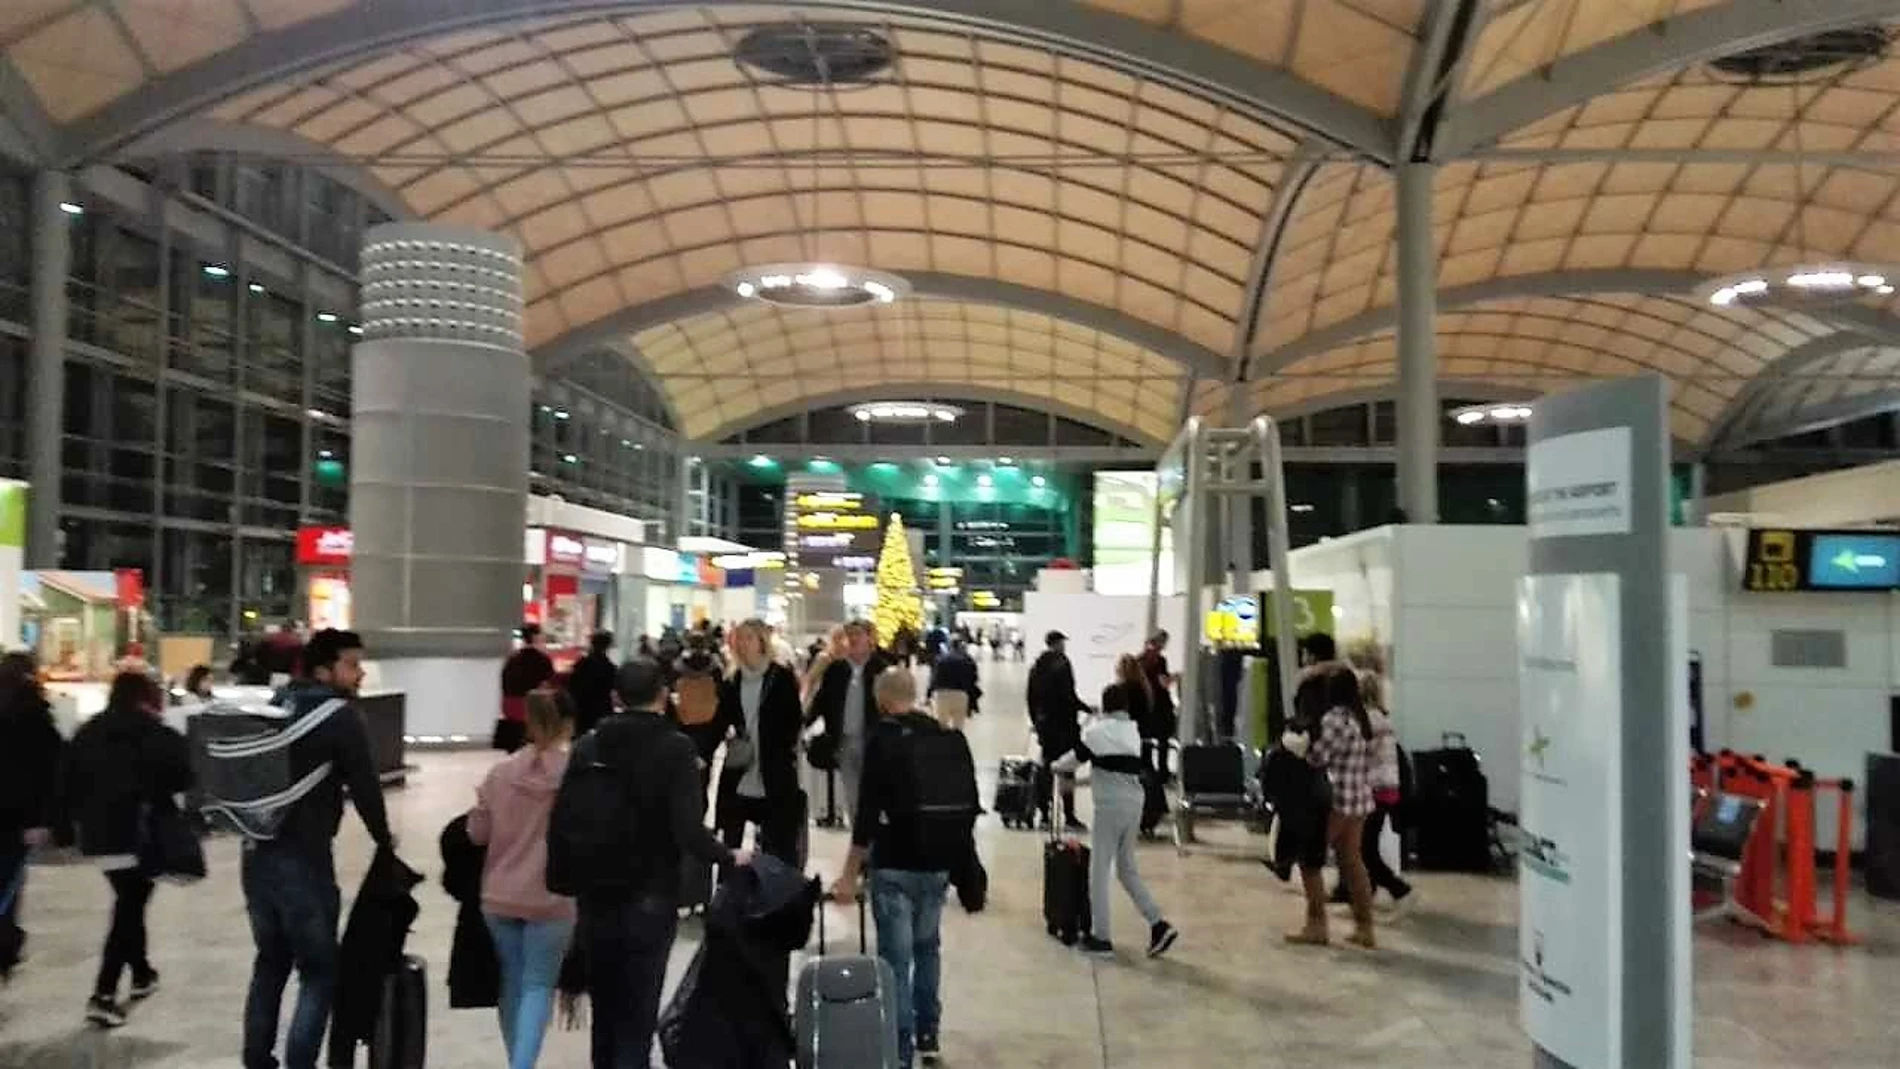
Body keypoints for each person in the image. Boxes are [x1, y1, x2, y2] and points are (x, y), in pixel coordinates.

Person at [562, 659, 749, 1069]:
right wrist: (728, 854)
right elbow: (687, 828)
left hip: (596, 895)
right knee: (638, 1011)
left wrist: (563, 881)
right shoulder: (673, 747)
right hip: (649, 892)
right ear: (664, 698)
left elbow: (562, 819)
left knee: (606, 1014)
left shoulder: (588, 746)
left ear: (615, 699)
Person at [243, 629, 396, 1069]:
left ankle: (257, 1059)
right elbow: (365, 789)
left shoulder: (275, 706)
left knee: (270, 963)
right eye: (351, 664)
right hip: (304, 862)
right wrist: (384, 841)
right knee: (318, 972)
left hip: (256, 856)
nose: (360, 672)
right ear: (323, 669)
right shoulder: (340, 717)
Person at [830, 668, 977, 1068]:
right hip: (936, 862)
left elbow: (866, 813)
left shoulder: (884, 738)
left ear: (881, 700)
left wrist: (849, 872)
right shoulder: (945, 737)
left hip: (894, 862)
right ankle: (928, 1035)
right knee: (928, 948)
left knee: (896, 958)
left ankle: (898, 1045)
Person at [62, 669, 193, 1027]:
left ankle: (142, 974)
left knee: (129, 901)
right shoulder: (155, 734)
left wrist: (63, 826)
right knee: (129, 909)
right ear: (146, 697)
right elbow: (184, 775)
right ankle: (103, 994)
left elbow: (67, 780)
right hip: (141, 835)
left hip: (98, 836)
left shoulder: (88, 732)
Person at [467, 690, 574, 1069]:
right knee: (538, 984)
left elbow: (477, 833)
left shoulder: (501, 773)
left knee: (513, 982)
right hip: (553, 898)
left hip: (498, 895)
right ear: (568, 724)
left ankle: (518, 1058)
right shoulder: (576, 775)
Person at [1052, 655, 1179, 960]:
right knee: (1127, 870)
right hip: (1134, 804)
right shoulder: (1131, 732)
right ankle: (1158, 923)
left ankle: (1101, 937)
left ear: (1104, 705)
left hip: (1109, 808)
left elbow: (1072, 760)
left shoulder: (1098, 732)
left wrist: (1055, 767)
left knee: (1099, 872)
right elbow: (1109, 764)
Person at [1287, 665, 1377, 949]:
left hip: (1335, 801)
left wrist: (1295, 745)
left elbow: (1316, 757)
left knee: (1309, 861)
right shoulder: (1360, 719)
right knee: (1352, 862)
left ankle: (1316, 925)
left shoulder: (1334, 719)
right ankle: (1365, 927)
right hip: (1359, 800)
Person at [714, 619, 807, 868]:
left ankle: (776, 894)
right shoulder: (731, 681)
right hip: (739, 769)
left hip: (774, 771)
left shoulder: (781, 678)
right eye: (738, 639)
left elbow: (794, 720)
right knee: (731, 839)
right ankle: (731, 896)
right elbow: (718, 722)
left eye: (748, 638)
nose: (742, 644)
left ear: (762, 642)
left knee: (778, 844)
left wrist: (779, 744)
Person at [0, 651, 62, 972]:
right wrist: (42, 820)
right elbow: (50, 770)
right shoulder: (34, 713)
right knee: (8, 888)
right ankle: (6, 948)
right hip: (18, 819)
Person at [1331, 670, 1412, 909]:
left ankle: (1398, 889)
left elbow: (1357, 755)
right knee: (1366, 845)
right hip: (1388, 789)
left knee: (1363, 849)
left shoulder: (1366, 721)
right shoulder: (1383, 718)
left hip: (1371, 790)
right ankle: (1367, 892)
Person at [808, 620, 892, 821]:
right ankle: (860, 839)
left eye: (858, 634)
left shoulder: (882, 669)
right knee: (852, 797)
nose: (853, 639)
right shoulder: (836, 669)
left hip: (873, 742)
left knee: (873, 795)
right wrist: (803, 724)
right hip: (844, 741)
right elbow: (821, 702)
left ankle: (873, 841)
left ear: (870, 638)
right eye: (850, 635)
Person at [1027, 631, 1089, 831]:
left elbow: (1030, 697)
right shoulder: (1063, 664)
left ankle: (1044, 814)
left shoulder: (1037, 666)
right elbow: (1068, 695)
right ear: (1058, 643)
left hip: (1045, 725)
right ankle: (1069, 816)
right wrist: (1085, 708)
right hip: (1064, 725)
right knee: (1067, 770)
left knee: (1046, 766)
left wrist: (1035, 720)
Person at [498, 624, 555, 753]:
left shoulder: (512, 659)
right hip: (533, 708)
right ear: (536, 637)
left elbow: (505, 683)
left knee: (516, 744)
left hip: (511, 706)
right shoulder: (543, 660)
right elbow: (548, 686)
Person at [566, 630, 617, 737]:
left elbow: (571, 686)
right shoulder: (610, 667)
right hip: (602, 711)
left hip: (581, 710)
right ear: (607, 646)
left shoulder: (581, 664)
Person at [925, 638, 980, 730]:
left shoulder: (941, 659)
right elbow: (973, 679)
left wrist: (928, 695)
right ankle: (955, 743)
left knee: (941, 726)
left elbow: (934, 678)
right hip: (960, 694)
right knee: (958, 727)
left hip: (941, 694)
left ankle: (943, 743)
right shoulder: (968, 659)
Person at [801, 625, 846, 711]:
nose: (842, 642)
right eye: (838, 638)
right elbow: (810, 679)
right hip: (823, 700)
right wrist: (804, 700)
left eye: (843, 638)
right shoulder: (824, 657)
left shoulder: (848, 658)